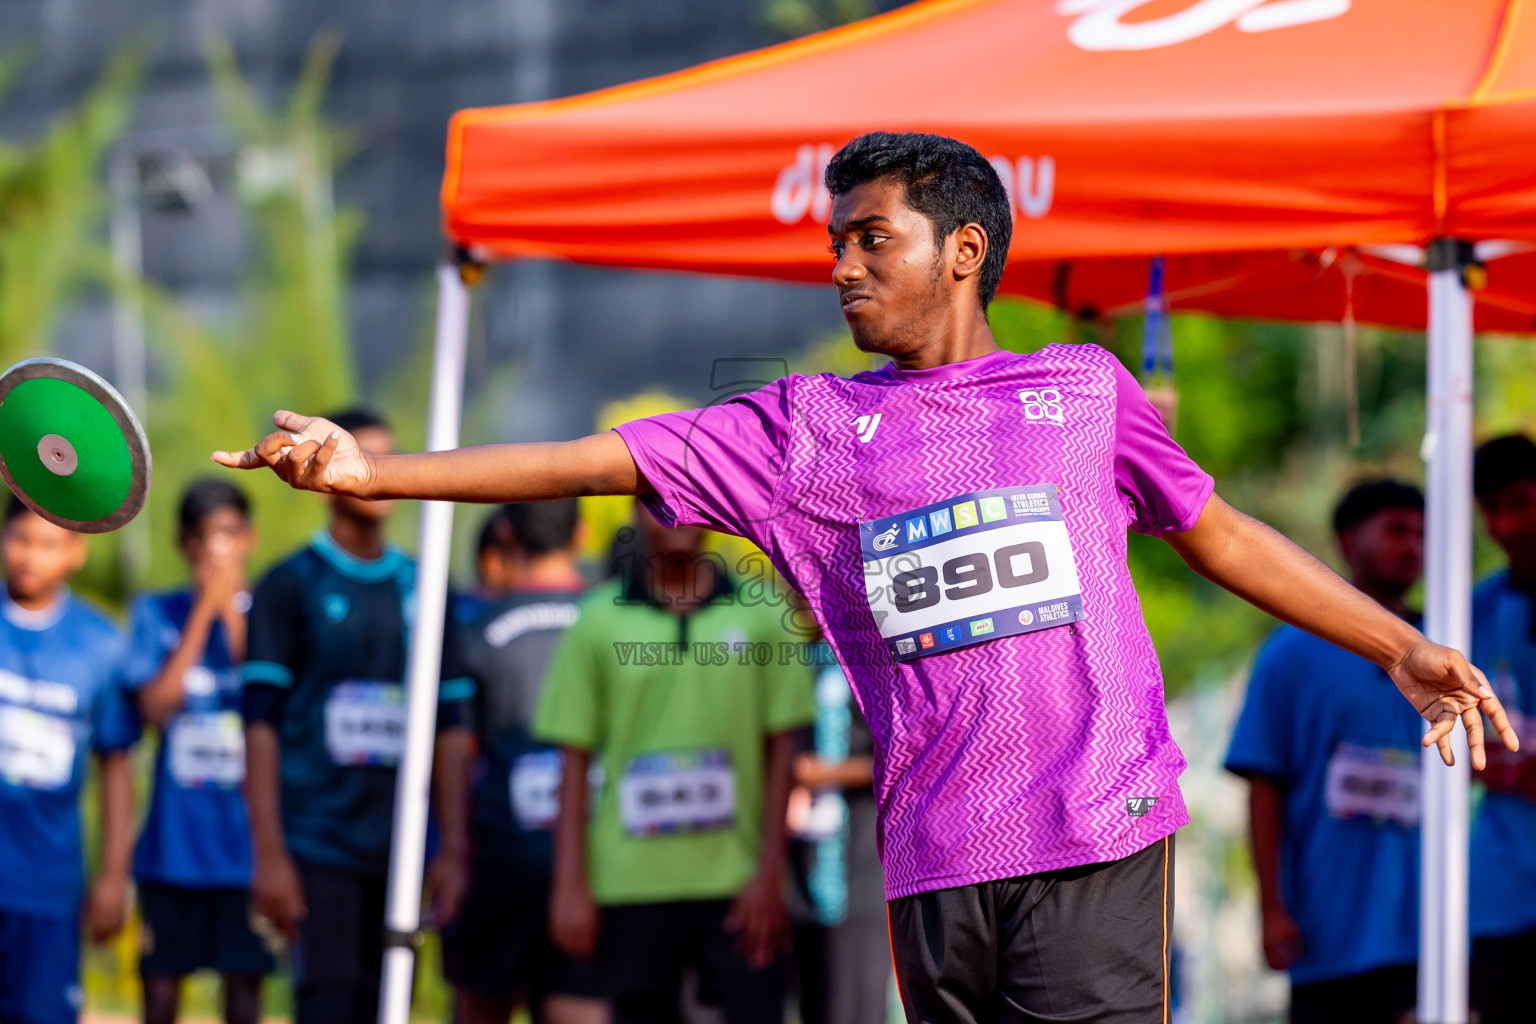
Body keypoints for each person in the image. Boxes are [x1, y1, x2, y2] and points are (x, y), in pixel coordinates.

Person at [214, 132, 1513, 1024]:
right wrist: (376, 478)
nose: (839, 265)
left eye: (868, 240)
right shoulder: (801, 433)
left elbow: (1218, 533)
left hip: (1099, 832)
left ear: (961, 250)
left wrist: (1392, 644)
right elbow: (579, 459)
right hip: (935, 858)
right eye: (833, 241)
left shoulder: (1081, 392)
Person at [239, 408, 475, 1024]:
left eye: (383, 457)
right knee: (329, 1003)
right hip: (319, 846)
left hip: (403, 849)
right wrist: (270, 855)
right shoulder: (290, 585)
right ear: (318, 471)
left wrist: (453, 847)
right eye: (356, 455)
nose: (372, 472)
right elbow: (259, 725)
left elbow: (451, 724)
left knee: (389, 1002)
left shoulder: (424, 586)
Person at [536, 501, 813, 1024]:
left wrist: (770, 873)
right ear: (635, 516)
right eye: (662, 503)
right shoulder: (597, 621)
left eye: (694, 501)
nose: (681, 516)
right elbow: (572, 763)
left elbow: (784, 750)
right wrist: (570, 886)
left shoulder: (761, 614)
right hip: (629, 883)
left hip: (739, 886)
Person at [1225, 480, 1427, 1023]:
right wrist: (1271, 909)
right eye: (1396, 530)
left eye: (1423, 533)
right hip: (1328, 933)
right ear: (1346, 541)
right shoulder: (1291, 654)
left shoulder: (1445, 652)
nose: (1413, 547)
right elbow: (1263, 782)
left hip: (1427, 930)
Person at [443, 501, 606, 1024]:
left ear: (507, 535)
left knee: (481, 1005)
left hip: (498, 858)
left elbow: (454, 746)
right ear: (581, 534)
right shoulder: (614, 621)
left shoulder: (473, 627)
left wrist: (451, 853)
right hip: (599, 863)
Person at [127, 480, 275, 1024]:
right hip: (173, 854)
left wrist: (231, 611)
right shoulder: (156, 612)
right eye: (205, 537)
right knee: (161, 995)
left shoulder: (270, 615)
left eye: (229, 534)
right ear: (184, 544)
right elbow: (154, 710)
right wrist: (200, 615)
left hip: (247, 855)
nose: (218, 549)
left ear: (249, 539)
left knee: (244, 997)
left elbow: (268, 699)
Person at [0, 497, 137, 1024]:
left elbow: (116, 766)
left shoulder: (101, 643)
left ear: (76, 552)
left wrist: (112, 876)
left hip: (49, 888)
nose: (30, 556)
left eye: (48, 544)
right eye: (20, 539)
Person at [786, 634, 891, 1024]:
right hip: (799, 880)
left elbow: (896, 756)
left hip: (857, 878)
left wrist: (816, 773)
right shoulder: (791, 654)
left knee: (855, 1010)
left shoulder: (866, 655)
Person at [1468, 434, 1536, 1023]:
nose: (1507, 524)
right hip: (1502, 890)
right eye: (1493, 509)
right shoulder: (1475, 612)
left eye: (1521, 501)